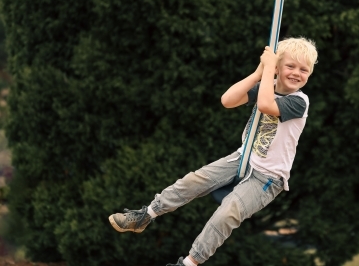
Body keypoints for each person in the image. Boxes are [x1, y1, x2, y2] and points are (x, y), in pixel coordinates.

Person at [108, 37, 318, 266]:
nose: (297, 73)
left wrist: (269, 72)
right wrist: (260, 71)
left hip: (267, 177)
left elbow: (267, 105)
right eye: (290, 66)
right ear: (278, 67)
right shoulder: (265, 85)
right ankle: (146, 215)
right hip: (242, 157)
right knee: (193, 181)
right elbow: (227, 100)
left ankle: (189, 263)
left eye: (304, 70)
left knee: (227, 212)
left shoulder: (300, 102)